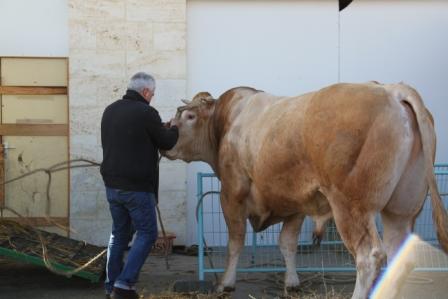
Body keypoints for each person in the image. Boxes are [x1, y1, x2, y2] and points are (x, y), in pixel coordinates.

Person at [100, 72, 179, 299]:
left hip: (112, 185)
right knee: (147, 233)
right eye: (152, 94)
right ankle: (124, 285)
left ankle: (111, 285)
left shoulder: (110, 109)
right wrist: (174, 127)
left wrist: (158, 128)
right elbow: (166, 141)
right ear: (145, 92)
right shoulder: (146, 112)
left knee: (119, 234)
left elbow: (132, 137)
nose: (152, 97)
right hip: (136, 188)